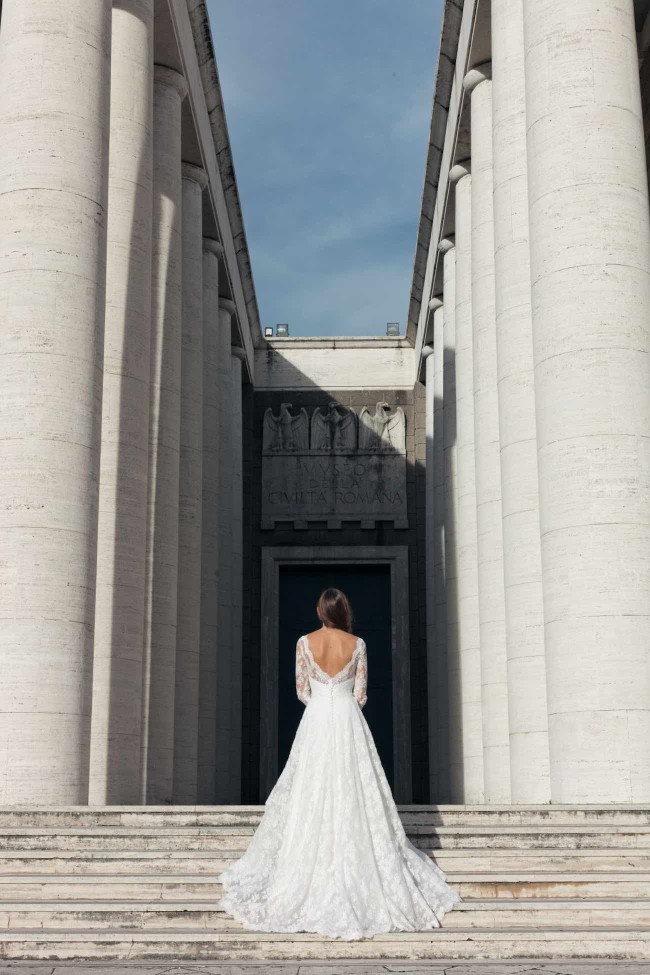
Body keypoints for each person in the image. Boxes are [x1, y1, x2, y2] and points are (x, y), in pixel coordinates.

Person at [218, 587, 461, 940]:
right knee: (355, 790)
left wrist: (322, 702)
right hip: (348, 719)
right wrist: (342, 702)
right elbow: (361, 695)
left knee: (310, 788)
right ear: (343, 610)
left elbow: (301, 690)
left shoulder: (303, 642)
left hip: (316, 718)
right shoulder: (358, 644)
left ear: (320, 610)